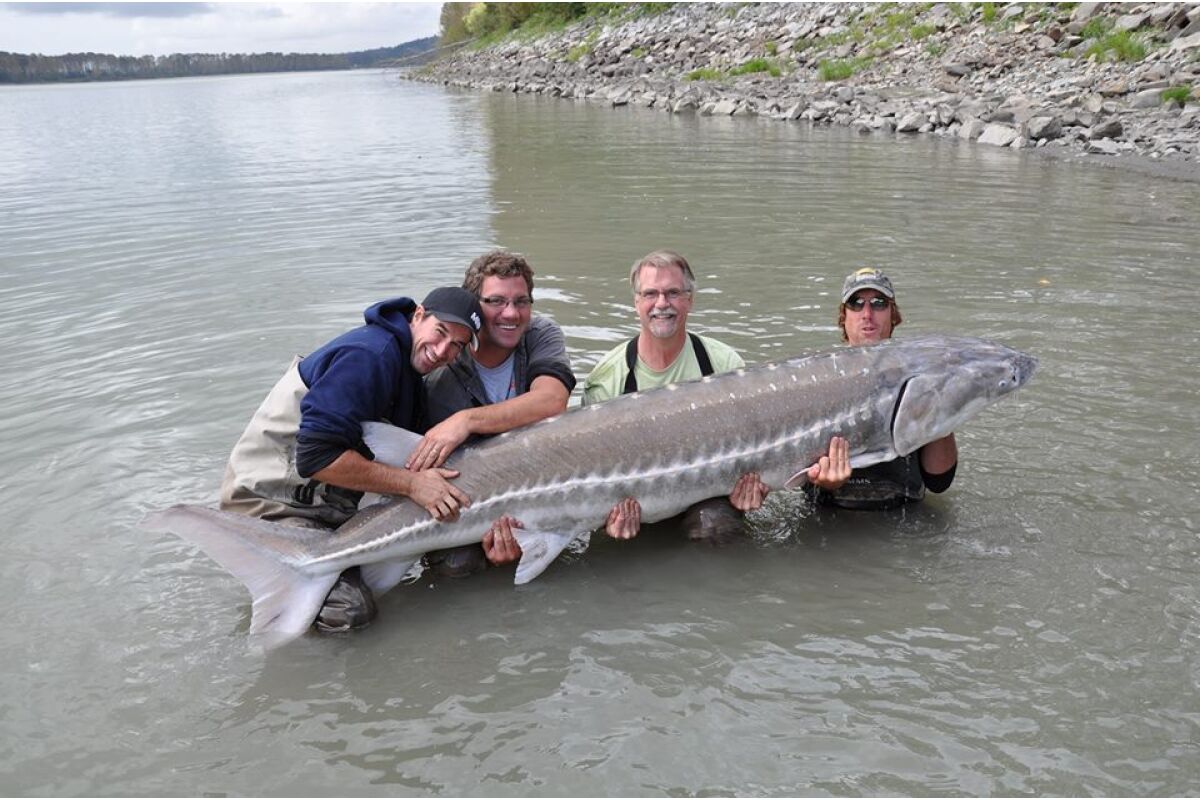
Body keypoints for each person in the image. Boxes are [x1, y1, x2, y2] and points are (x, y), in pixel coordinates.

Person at [219, 287, 483, 633]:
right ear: (418, 316)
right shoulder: (368, 355)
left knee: (460, 554)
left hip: (331, 509)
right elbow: (315, 458)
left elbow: (406, 455)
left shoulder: (411, 374)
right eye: (441, 333)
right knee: (350, 611)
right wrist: (412, 484)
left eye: (457, 346)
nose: (442, 351)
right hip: (270, 507)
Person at [582, 249, 850, 540]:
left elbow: (754, 450)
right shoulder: (607, 378)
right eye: (650, 294)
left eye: (673, 293)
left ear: (690, 300)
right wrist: (606, 521)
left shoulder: (725, 365)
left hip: (704, 496)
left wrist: (750, 492)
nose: (662, 303)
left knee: (715, 525)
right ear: (637, 302)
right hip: (633, 500)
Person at [414, 250, 577, 576]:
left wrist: (466, 420)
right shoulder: (440, 360)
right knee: (459, 566)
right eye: (496, 301)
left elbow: (551, 400)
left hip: (534, 487)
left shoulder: (540, 334)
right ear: (474, 308)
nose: (511, 313)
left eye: (522, 301)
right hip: (461, 497)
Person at [814, 267, 958, 509]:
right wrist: (825, 483)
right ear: (844, 317)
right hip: (832, 518)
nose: (867, 314)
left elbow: (940, 481)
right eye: (856, 303)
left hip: (905, 516)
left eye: (879, 303)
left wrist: (943, 410)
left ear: (893, 315)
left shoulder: (918, 376)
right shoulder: (818, 379)